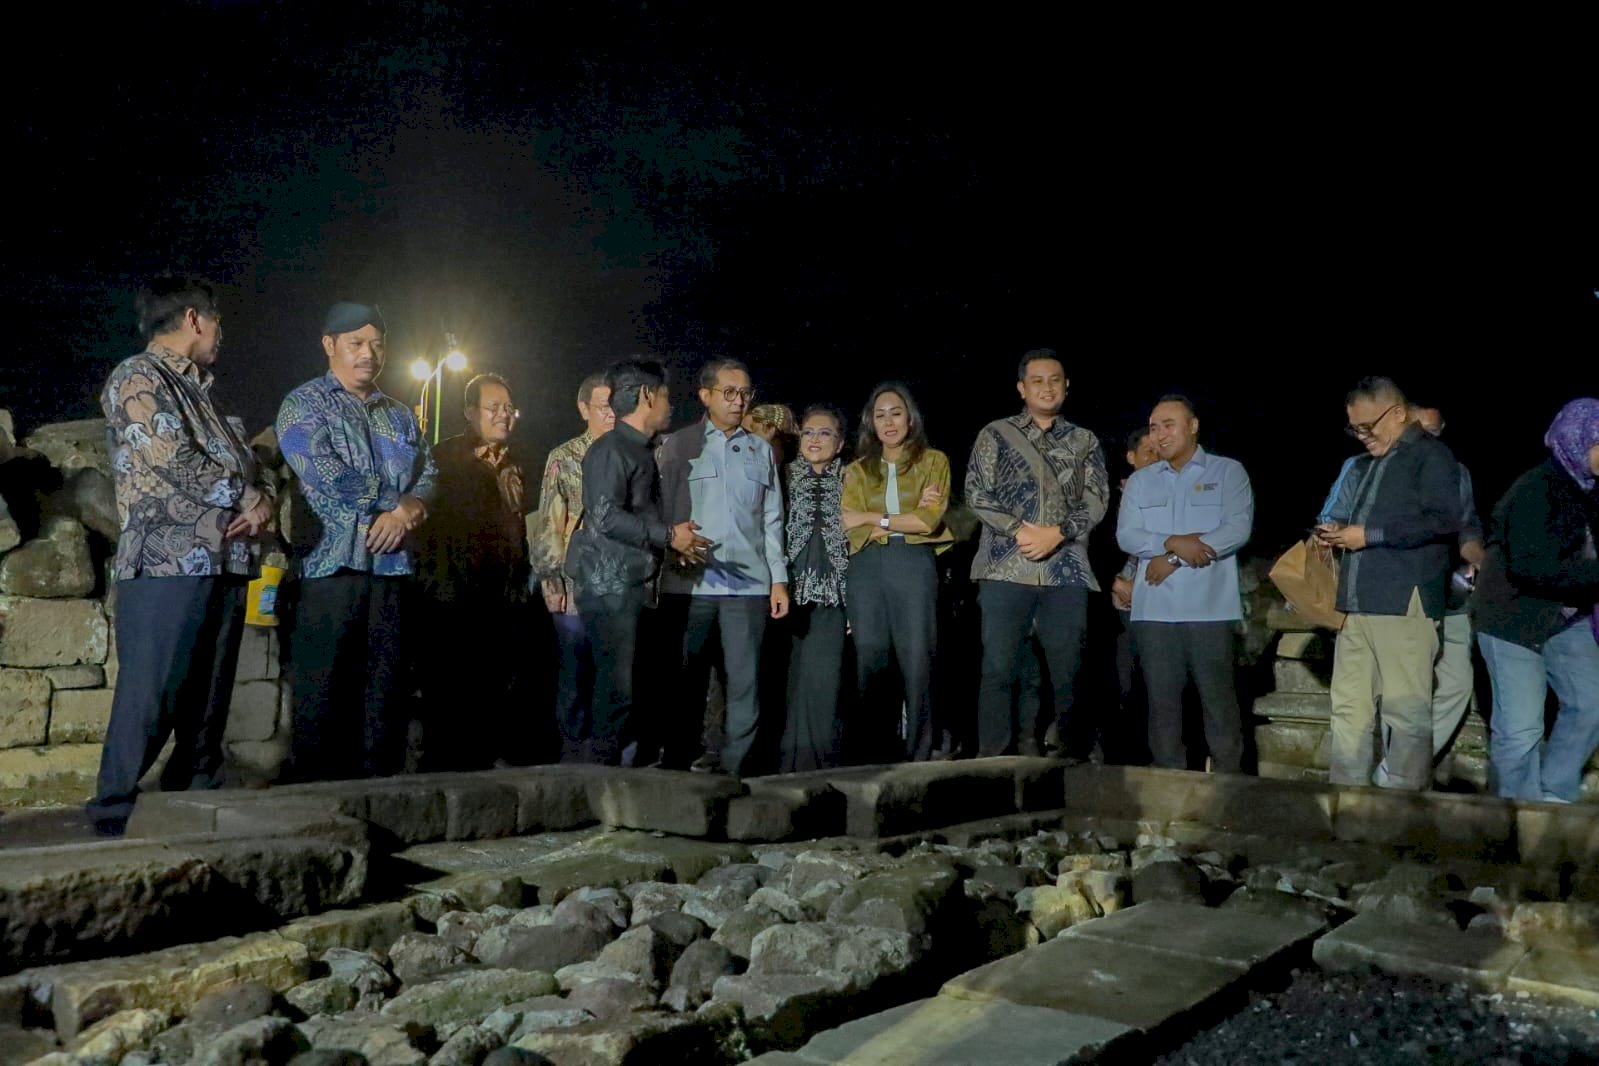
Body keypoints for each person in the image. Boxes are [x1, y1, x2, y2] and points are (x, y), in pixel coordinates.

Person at [87, 278, 275, 835]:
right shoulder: (138, 377)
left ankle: (194, 802)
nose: (221, 333)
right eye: (217, 321)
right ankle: (113, 812)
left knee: (208, 699)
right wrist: (245, 496)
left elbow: (252, 464)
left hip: (226, 562)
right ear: (194, 318)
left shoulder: (210, 395)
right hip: (166, 565)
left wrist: (262, 498)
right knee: (152, 693)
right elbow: (170, 456)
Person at [276, 302, 437, 782]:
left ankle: (380, 792)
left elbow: (429, 471)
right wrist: (395, 502)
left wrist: (410, 509)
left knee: (386, 690)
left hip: (391, 572)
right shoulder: (303, 405)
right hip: (330, 571)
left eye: (377, 344)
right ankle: (317, 797)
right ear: (329, 345)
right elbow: (323, 471)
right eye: (356, 343)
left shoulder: (400, 415)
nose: (368, 354)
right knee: (324, 691)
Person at [1316, 377, 1460, 791]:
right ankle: (1345, 801)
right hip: (1357, 600)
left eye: (1368, 426)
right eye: (1354, 428)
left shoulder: (1431, 456)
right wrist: (1338, 532)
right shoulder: (1367, 464)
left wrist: (1368, 535)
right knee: (1348, 708)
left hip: (1403, 600)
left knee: (1406, 712)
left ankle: (1403, 808)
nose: (1362, 436)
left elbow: (1443, 520)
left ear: (1397, 414)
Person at [965, 349, 1109, 757]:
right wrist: (1020, 530)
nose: (1047, 388)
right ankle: (993, 762)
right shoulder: (995, 433)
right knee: (999, 670)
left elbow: (1096, 498)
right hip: (1004, 567)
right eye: (1037, 381)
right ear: (1021, 388)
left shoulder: (1084, 440)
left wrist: (1058, 534)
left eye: (1055, 380)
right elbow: (976, 491)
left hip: (1066, 570)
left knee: (1069, 670)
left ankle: (1072, 762)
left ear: (1066, 386)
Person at [564, 359, 708, 766]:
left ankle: (616, 777)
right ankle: (600, 784)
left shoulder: (638, 450)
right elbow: (605, 515)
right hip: (611, 588)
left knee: (631, 692)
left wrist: (673, 538)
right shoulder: (612, 449)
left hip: (630, 585)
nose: (669, 404)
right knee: (617, 692)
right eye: (664, 395)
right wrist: (668, 536)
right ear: (646, 395)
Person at [656, 359, 789, 777]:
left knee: (745, 686)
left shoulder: (761, 451)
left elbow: (772, 520)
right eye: (729, 392)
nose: (738, 401)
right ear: (705, 395)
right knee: (686, 684)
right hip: (689, 586)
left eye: (745, 393)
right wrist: (668, 547)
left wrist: (779, 580)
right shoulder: (679, 445)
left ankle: (736, 773)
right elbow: (658, 510)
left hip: (748, 587)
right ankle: (676, 770)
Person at [1116, 395, 1254, 773]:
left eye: (1169, 425)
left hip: (1210, 609)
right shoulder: (1141, 481)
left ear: (1193, 426)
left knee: (1219, 705)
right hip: (1155, 610)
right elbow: (1127, 536)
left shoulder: (1228, 472)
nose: (1159, 434)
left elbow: (1236, 530)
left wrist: (1173, 558)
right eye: (1154, 428)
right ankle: (1170, 785)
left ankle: (1229, 787)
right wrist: (1174, 542)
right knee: (1162, 708)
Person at [1472, 398, 1599, 802]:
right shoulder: (1536, 489)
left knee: (1592, 702)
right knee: (1520, 728)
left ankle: (1554, 796)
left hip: (1563, 618)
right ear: (1578, 441)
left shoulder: (1587, 491)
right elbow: (1531, 566)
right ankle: (1516, 815)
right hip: (1512, 619)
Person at [414, 372, 534, 768]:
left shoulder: (519, 462)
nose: (504, 415)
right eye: (493, 407)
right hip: (452, 599)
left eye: (509, 408)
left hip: (503, 599)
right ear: (470, 412)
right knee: (448, 698)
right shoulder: (443, 458)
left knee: (493, 693)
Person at [842, 382, 953, 762]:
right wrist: (900, 520)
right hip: (866, 567)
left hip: (913, 564)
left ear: (911, 419)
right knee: (871, 658)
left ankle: (919, 752)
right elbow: (849, 526)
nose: (889, 422)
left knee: (918, 657)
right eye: (880, 415)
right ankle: (876, 754)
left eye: (896, 413)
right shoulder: (856, 471)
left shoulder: (933, 461)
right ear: (870, 423)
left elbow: (927, 522)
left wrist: (873, 518)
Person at [531, 373, 615, 762]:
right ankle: (572, 757)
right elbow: (550, 521)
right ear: (584, 409)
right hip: (576, 588)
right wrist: (551, 581)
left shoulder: (634, 454)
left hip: (620, 589)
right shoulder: (563, 458)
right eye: (603, 406)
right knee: (575, 676)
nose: (612, 414)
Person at [780, 403, 851, 772]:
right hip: (787, 593)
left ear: (840, 444)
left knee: (826, 681)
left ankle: (820, 766)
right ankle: (787, 765)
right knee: (790, 680)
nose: (815, 440)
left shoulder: (853, 479)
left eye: (825, 433)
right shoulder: (784, 476)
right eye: (808, 432)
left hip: (835, 596)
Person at [1107, 425, 1163, 763]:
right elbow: (1095, 549)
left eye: (1159, 452)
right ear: (1131, 457)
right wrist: (1116, 583)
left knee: (1158, 683)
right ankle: (1121, 758)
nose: (1155, 459)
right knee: (1123, 682)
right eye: (1148, 453)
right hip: (1121, 603)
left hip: (1160, 603)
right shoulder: (1111, 500)